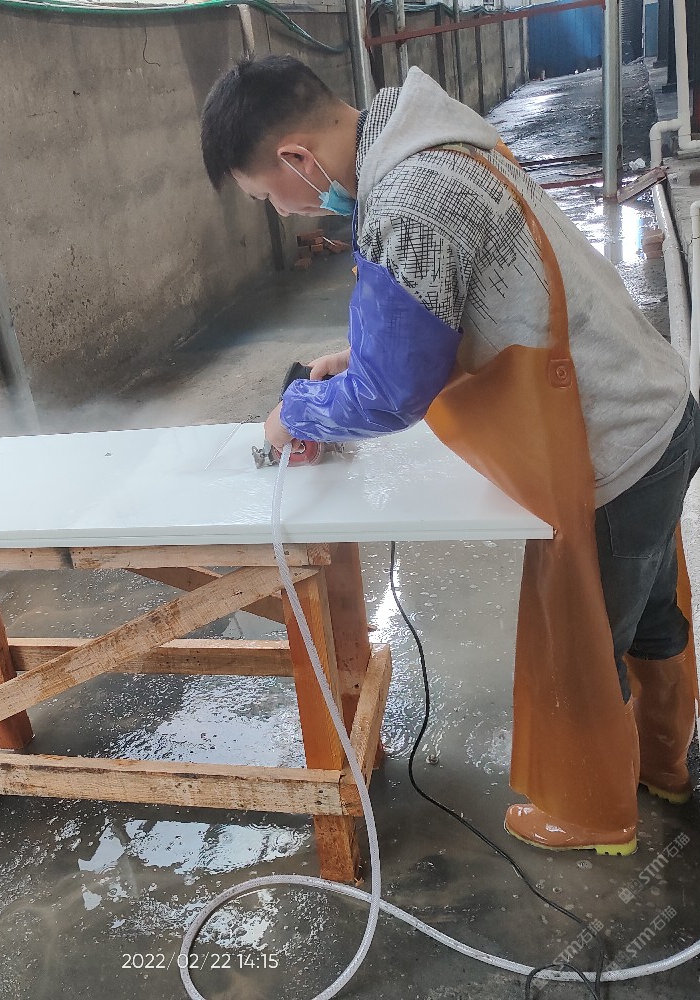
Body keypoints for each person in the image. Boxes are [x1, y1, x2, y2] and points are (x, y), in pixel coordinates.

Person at [200, 55, 700, 854]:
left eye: (268, 196)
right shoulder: (429, 140)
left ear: (296, 157)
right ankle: (666, 765)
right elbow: (447, 309)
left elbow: (391, 395)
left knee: (583, 641)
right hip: (653, 407)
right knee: (649, 613)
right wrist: (360, 357)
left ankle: (594, 814)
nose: (286, 211)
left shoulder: (409, 199)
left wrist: (294, 415)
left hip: (615, 448)